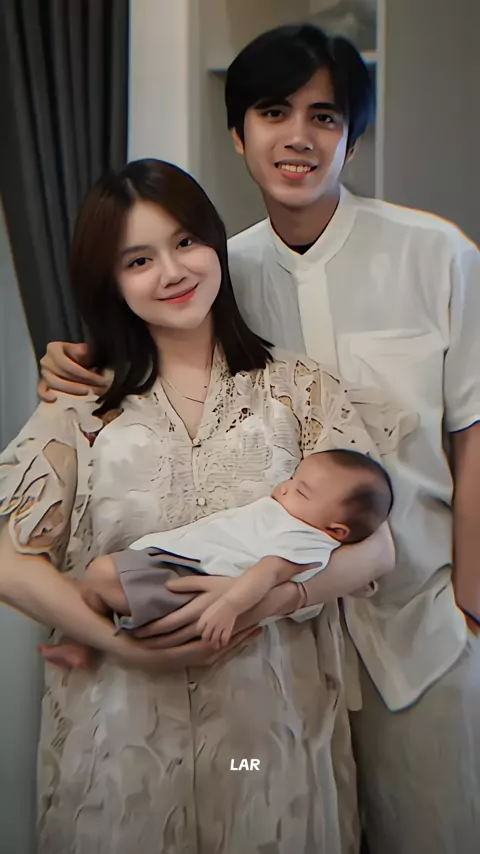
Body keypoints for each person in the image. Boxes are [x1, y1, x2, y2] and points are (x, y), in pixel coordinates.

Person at [39, 24, 480, 854]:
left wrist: (474, 609)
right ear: (239, 134)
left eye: (325, 116)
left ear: (354, 137)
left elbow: (474, 433)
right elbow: (147, 348)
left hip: (416, 632)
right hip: (277, 659)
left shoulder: (437, 257)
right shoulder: (218, 270)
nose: (299, 136)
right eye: (274, 112)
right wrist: (73, 359)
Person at [0, 158, 404, 854]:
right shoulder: (78, 405)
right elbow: (11, 559)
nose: (172, 271)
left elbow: (377, 547)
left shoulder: (299, 389)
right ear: (110, 281)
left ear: (215, 243)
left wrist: (264, 600)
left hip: (268, 737)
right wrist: (120, 645)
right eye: (138, 260)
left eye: (186, 242)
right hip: (120, 741)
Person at [40, 449, 394, 669]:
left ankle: (96, 640)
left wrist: (229, 606)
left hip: (199, 580)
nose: (285, 487)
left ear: (336, 529)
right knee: (94, 582)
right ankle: (83, 645)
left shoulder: (308, 542)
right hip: (184, 563)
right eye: (291, 478)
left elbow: (268, 573)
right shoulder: (291, 517)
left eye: (300, 491)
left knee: (101, 574)